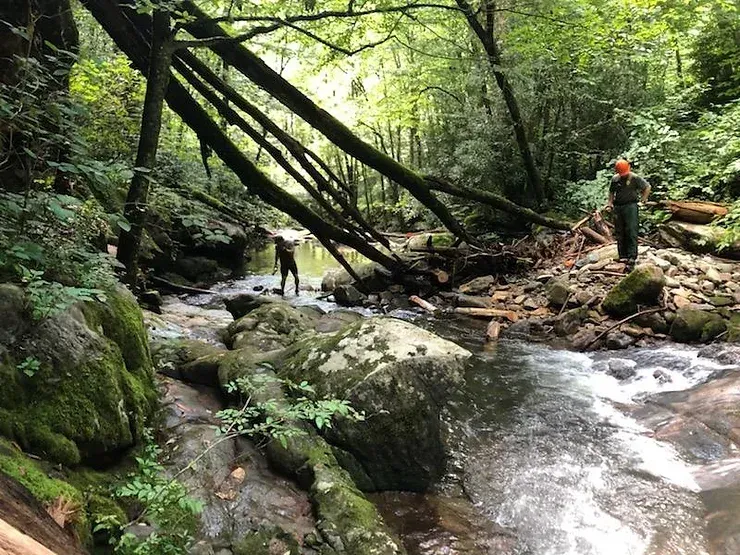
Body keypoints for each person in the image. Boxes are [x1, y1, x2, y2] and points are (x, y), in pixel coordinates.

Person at [607, 159, 651, 269]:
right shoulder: (615, 179)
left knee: (631, 230)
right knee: (619, 231)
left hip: (631, 206)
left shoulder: (634, 178)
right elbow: (611, 192)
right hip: (618, 207)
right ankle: (622, 255)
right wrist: (610, 203)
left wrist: (643, 200)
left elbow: (647, 187)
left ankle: (632, 256)